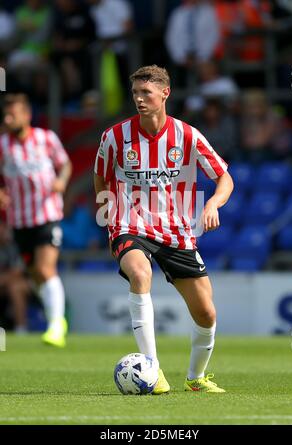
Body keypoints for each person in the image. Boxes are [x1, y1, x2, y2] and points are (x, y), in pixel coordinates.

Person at [94, 65, 234, 394]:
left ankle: (196, 378)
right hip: (129, 224)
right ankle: (151, 369)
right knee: (140, 274)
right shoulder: (114, 136)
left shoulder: (186, 135)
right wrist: (107, 210)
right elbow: (100, 175)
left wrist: (213, 204)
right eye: (135, 94)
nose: (140, 100)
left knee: (206, 312)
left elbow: (224, 177)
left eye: (146, 93)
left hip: (176, 231)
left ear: (165, 94)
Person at [0, 93, 72, 347]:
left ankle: (55, 325)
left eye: (13, 114)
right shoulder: (3, 145)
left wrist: (61, 181)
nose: (9, 119)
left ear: (26, 115)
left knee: (44, 269)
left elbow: (64, 164)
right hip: (20, 220)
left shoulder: (45, 139)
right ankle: (56, 320)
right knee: (34, 274)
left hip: (47, 214)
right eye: (6, 115)